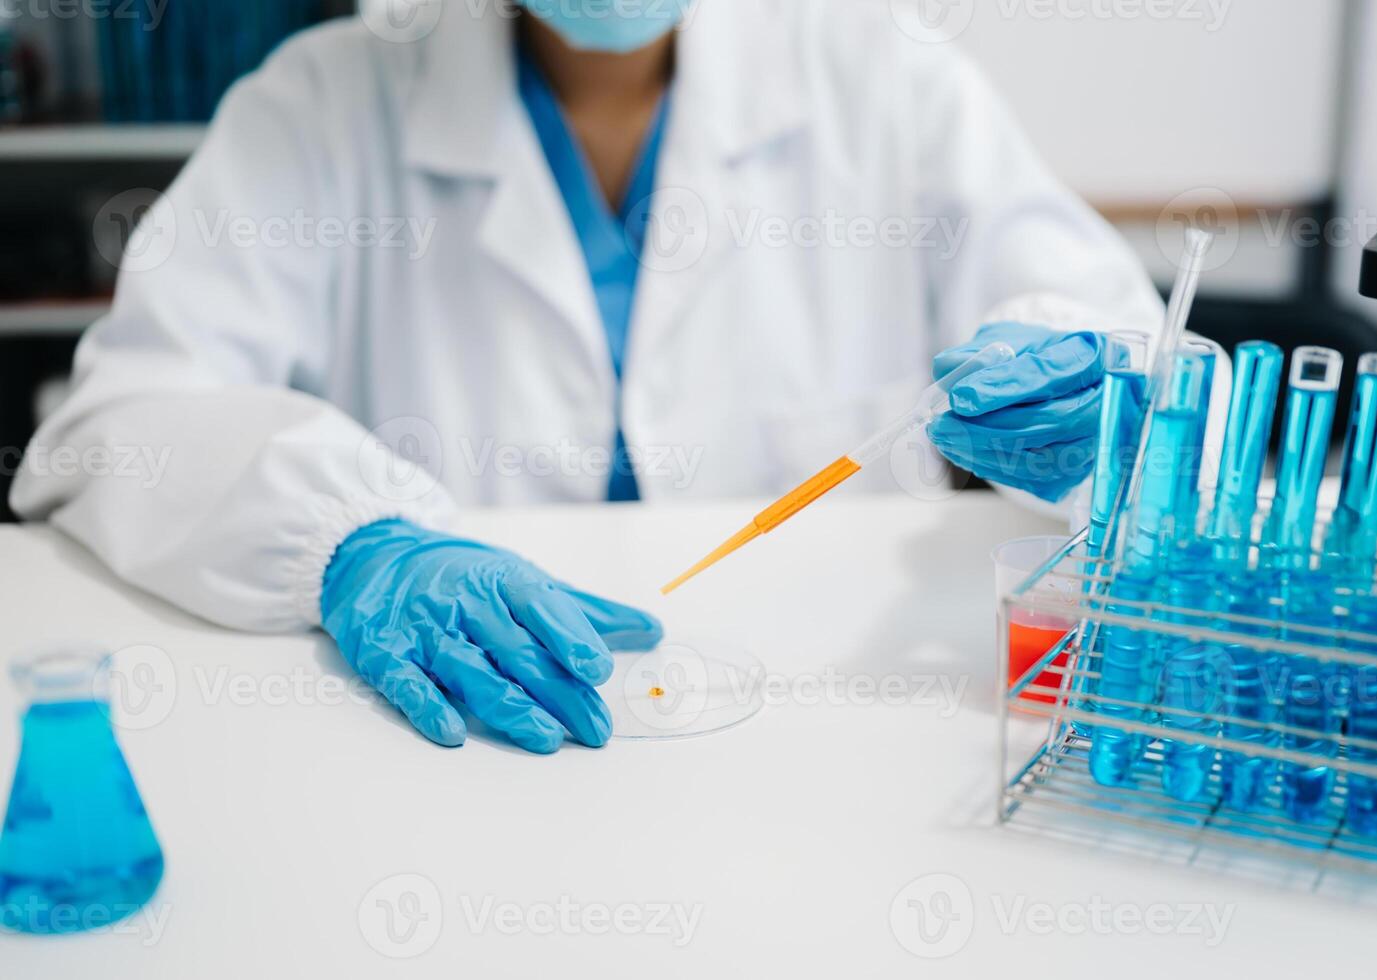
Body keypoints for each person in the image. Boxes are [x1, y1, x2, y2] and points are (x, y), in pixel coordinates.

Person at [11, 0, 1200, 753]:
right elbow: (124, 422)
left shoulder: (884, 75)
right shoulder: (323, 104)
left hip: (823, 734)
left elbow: (1095, 315)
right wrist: (353, 542)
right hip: (460, 733)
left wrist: (1090, 388)